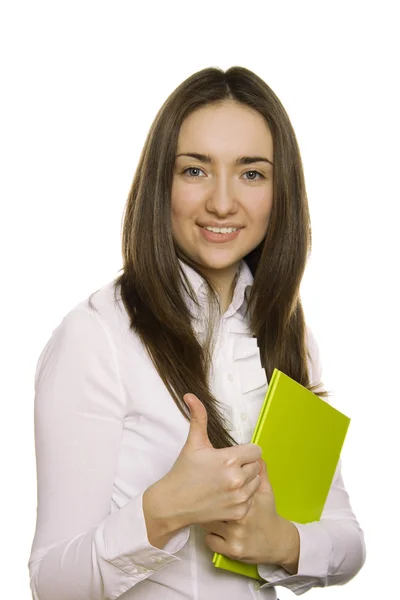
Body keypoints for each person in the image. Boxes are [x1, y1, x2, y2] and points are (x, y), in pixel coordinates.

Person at [28, 66, 366, 600]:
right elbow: (51, 583)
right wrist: (164, 510)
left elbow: (347, 540)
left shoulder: (289, 335)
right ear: (161, 181)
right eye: (195, 170)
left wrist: (281, 543)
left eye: (251, 173)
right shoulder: (96, 337)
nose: (223, 202)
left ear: (282, 192)